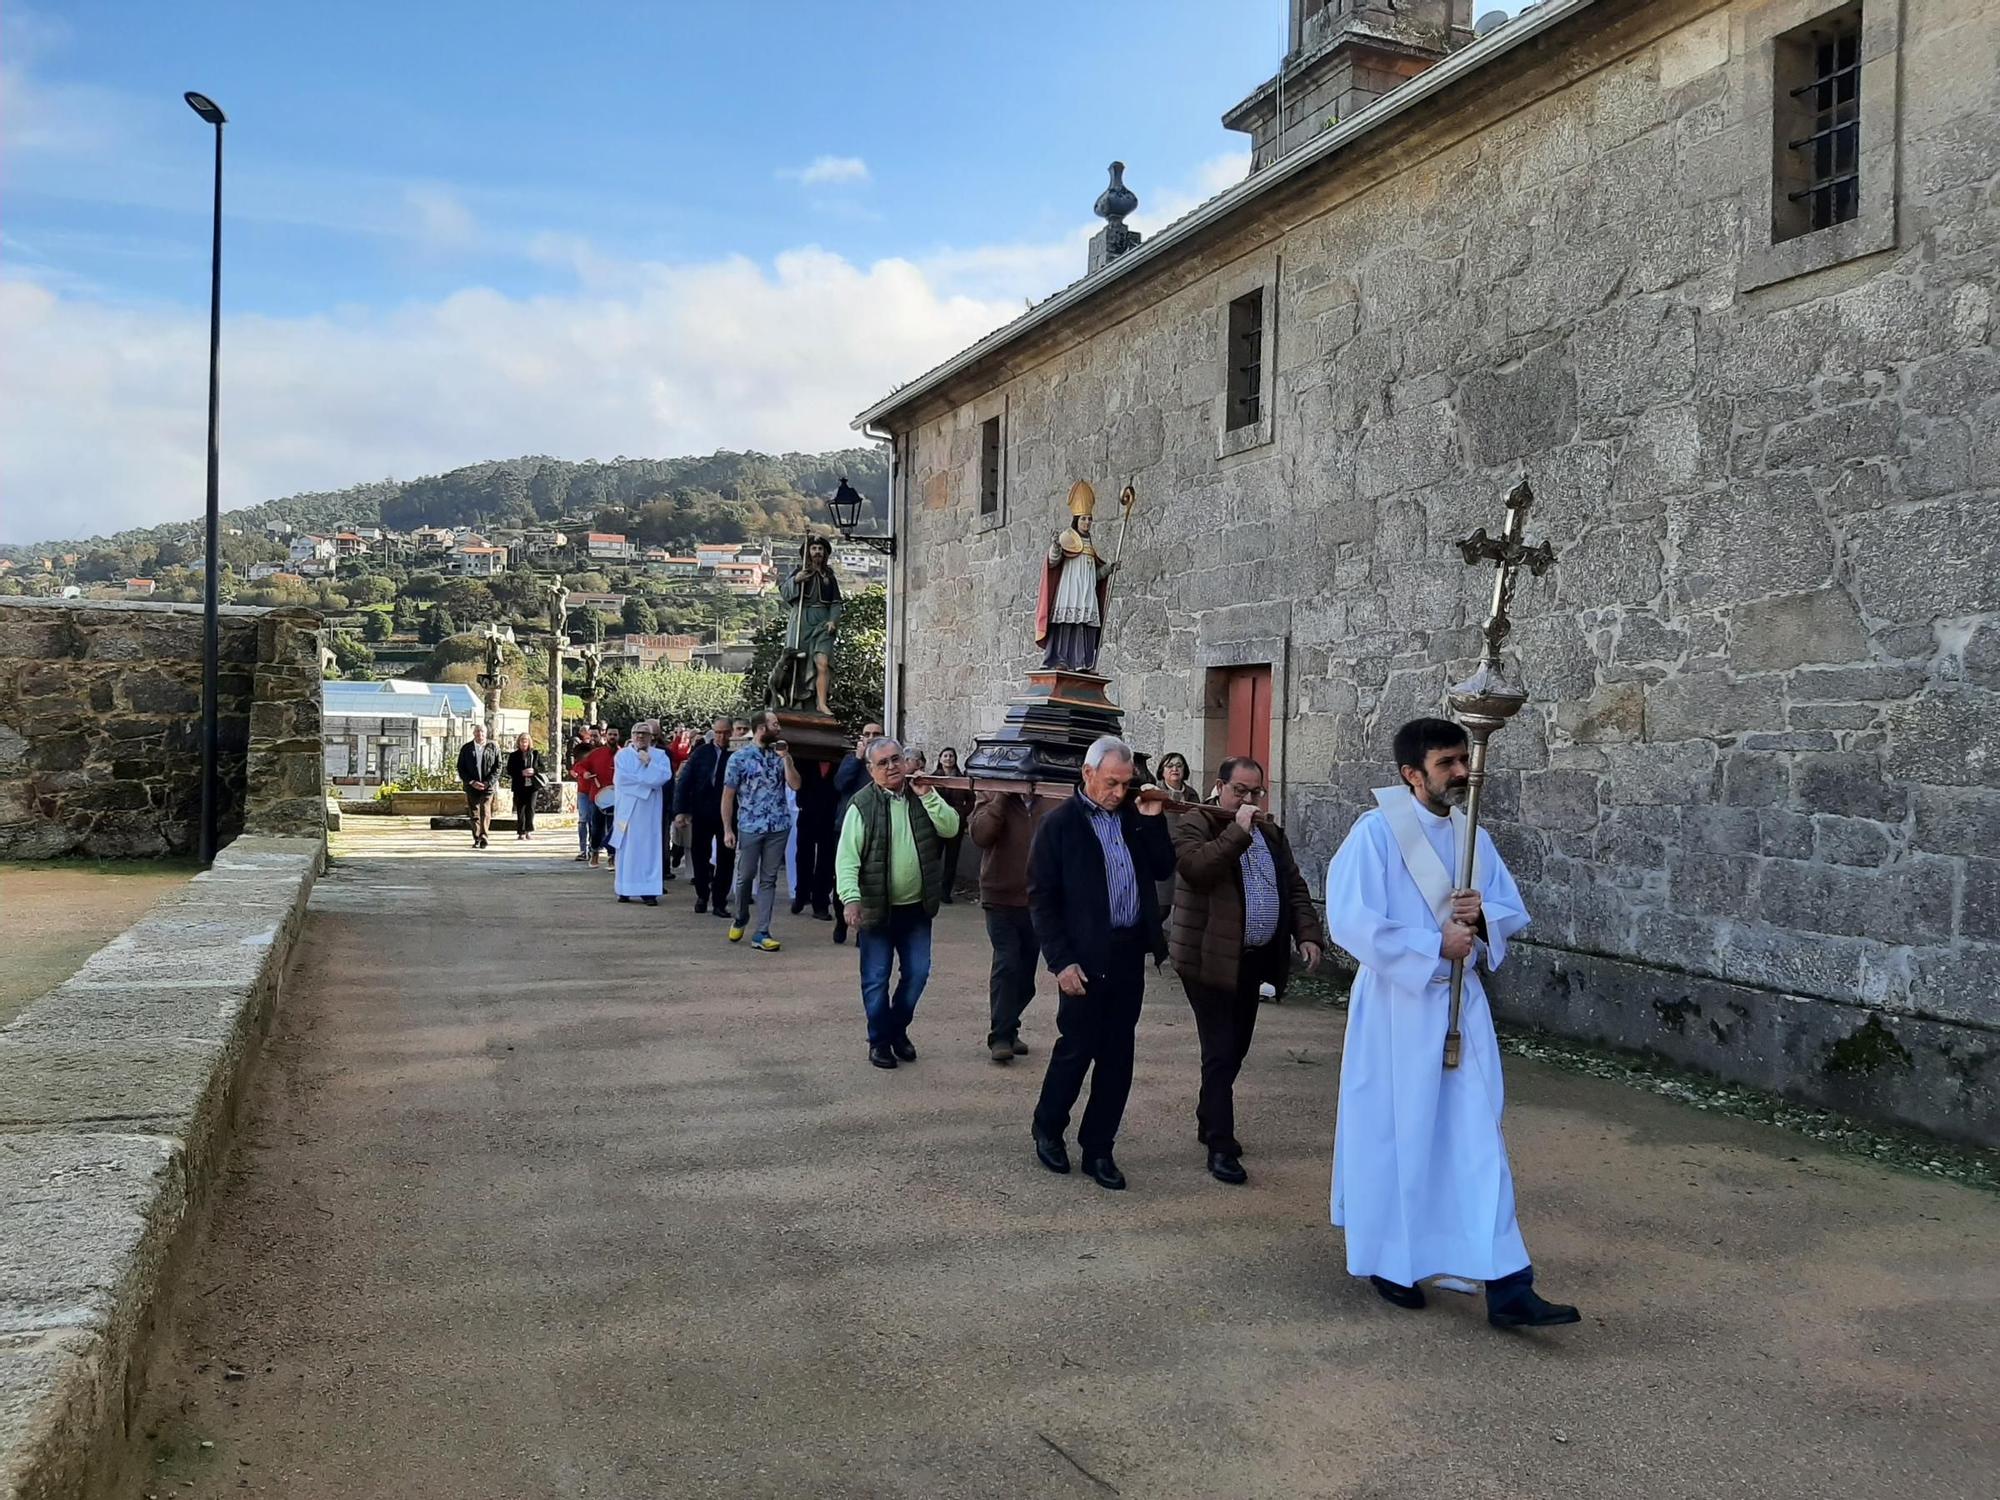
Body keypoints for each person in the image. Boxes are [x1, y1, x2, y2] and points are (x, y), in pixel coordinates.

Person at [1325, 717, 1580, 1329]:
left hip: (1460, 1007)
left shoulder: (1472, 837)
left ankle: (1509, 1285)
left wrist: (1482, 917)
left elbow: (1508, 910)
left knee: (1477, 1139)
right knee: (1399, 1134)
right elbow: (1351, 920)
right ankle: (1391, 1260)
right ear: (1412, 774)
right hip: (1397, 1010)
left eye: (1464, 760)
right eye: (1448, 764)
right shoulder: (1376, 835)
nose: (1464, 772)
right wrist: (1430, 944)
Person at [1027, 736, 1175, 1191]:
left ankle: (1099, 1148)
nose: (1119, 792)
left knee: (1118, 1056)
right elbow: (1041, 899)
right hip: (1084, 957)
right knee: (1076, 1049)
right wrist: (1061, 962)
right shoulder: (1060, 825)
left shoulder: (1133, 816)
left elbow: (1164, 867)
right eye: (1111, 783)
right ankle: (1049, 1129)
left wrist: (1152, 822)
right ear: (1088, 774)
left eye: (1126, 784)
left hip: (1128, 951)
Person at [1168, 757, 1324, 1185]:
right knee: (1219, 1050)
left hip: (1251, 960)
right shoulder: (1197, 822)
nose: (1250, 801)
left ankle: (1208, 1114)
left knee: (1235, 1048)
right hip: (1206, 958)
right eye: (1241, 791)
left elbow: (1293, 887)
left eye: (1257, 792)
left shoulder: (1272, 833)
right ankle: (1220, 1144)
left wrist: (1307, 934)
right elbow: (1197, 869)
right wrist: (1238, 829)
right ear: (1220, 787)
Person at [834, 737, 961, 1069]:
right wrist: (851, 899)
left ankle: (895, 1029)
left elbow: (951, 828)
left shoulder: (921, 796)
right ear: (871, 769)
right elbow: (847, 859)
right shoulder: (861, 805)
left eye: (896, 759)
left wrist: (929, 796)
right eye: (883, 763)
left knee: (917, 973)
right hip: (877, 907)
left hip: (917, 907)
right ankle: (880, 1041)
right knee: (876, 978)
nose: (892, 767)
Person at [969, 786, 1053, 1064]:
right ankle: (1001, 1036)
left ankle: (1010, 1024)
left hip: (1037, 900)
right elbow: (981, 835)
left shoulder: (1052, 797)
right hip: (999, 896)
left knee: (1026, 976)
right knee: (1007, 963)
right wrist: (1001, 798)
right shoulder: (991, 793)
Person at [723, 709, 800, 952]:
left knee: (769, 879)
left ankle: (762, 931)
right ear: (761, 728)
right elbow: (728, 795)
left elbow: (796, 784)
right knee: (745, 876)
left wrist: (787, 759)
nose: (779, 728)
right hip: (750, 825)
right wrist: (727, 828)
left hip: (778, 825)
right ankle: (741, 915)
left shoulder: (781, 756)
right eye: (775, 724)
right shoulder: (739, 758)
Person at [674, 717, 736, 917]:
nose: (722, 736)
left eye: (726, 732)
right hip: (702, 811)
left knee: (726, 858)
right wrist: (680, 811)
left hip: (728, 814)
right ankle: (702, 894)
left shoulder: (737, 754)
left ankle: (720, 901)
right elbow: (685, 782)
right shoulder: (701, 753)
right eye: (718, 732)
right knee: (700, 855)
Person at [607, 721, 673, 906]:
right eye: (637, 733)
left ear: (652, 737)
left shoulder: (659, 756)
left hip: (649, 810)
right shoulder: (622, 755)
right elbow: (622, 780)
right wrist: (647, 784)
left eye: (644, 733)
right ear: (632, 734)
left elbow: (662, 778)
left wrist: (649, 764)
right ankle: (624, 889)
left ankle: (648, 890)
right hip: (627, 809)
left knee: (648, 849)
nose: (640, 736)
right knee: (627, 849)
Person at [829, 722, 883, 944]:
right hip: (845, 826)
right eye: (867, 734)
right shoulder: (852, 760)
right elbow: (840, 784)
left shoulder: (884, 763)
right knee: (843, 877)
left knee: (869, 880)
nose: (871, 737)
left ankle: (864, 928)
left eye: (876, 734)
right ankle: (841, 922)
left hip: (876, 828)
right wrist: (857, 759)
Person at [1150, 751, 1199, 916]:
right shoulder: (1155, 793)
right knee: (1161, 907)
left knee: (1185, 905)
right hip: (1164, 852)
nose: (1175, 769)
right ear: (1162, 771)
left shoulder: (1192, 794)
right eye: (1169, 766)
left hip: (1186, 852)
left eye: (1179, 765)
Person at [791, 760, 839, 920]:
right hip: (808, 812)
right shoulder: (805, 759)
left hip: (830, 815)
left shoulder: (839, 761)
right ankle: (801, 895)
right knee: (804, 857)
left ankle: (821, 903)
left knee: (826, 861)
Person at [931, 747, 972, 904]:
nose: (948, 759)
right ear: (940, 759)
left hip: (956, 824)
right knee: (935, 858)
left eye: (951, 756)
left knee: (952, 860)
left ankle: (946, 892)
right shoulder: (933, 778)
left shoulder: (961, 779)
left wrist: (962, 813)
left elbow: (971, 799)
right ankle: (932, 891)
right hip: (937, 824)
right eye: (945, 756)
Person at [574, 729, 619, 868]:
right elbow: (579, 766)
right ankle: (594, 853)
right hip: (597, 797)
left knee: (613, 828)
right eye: (610, 734)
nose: (612, 737)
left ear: (619, 736)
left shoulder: (624, 754)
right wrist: (585, 773)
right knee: (596, 828)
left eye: (615, 735)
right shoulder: (596, 753)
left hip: (617, 797)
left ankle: (612, 857)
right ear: (606, 736)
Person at [456, 725, 501, 849]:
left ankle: (484, 836)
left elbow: (498, 767)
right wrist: (471, 782)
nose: (479, 734)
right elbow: (461, 768)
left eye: (482, 732)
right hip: (472, 786)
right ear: (473, 733)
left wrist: (488, 782)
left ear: (486, 733)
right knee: (474, 812)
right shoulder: (466, 748)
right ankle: (476, 837)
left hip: (488, 785)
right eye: (477, 732)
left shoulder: (494, 747)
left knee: (485, 810)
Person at [505, 732, 546, 841]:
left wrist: (534, 771)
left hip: (532, 785)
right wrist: (521, 772)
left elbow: (542, 768)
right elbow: (509, 770)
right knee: (520, 808)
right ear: (518, 743)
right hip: (519, 785)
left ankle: (529, 830)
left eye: (526, 742)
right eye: (522, 742)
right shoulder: (514, 755)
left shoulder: (535, 754)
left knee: (531, 808)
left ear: (529, 743)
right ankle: (521, 832)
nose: (524, 744)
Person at [569, 725, 599, 863]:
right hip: (583, 791)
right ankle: (583, 850)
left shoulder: (602, 752)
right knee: (583, 819)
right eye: (590, 735)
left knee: (594, 821)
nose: (592, 738)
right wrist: (582, 772)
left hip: (596, 791)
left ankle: (593, 848)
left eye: (594, 735)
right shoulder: (583, 750)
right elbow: (577, 766)